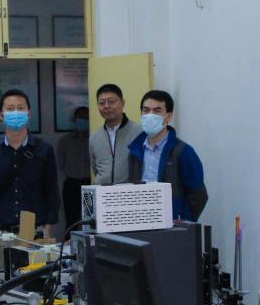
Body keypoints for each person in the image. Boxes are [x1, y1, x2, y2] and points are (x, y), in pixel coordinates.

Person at [0, 89, 60, 256]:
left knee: (37, 273)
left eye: (20, 108)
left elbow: (52, 193)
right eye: (10, 109)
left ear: (29, 113)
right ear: (1, 115)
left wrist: (48, 230)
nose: (16, 113)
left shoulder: (44, 150)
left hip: (36, 235)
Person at [126, 90, 208, 221]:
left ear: (168, 117)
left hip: (172, 225)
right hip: (140, 220)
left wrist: (184, 220)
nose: (150, 115)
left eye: (157, 111)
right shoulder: (134, 151)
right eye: (146, 110)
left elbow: (198, 195)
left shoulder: (183, 151)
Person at [89, 83, 142, 184]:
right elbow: (95, 169)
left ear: (123, 103)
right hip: (103, 192)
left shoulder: (139, 132)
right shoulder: (94, 137)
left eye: (111, 101)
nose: (106, 106)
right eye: (102, 103)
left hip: (130, 191)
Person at [57, 106, 92, 231]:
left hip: (89, 184)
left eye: (86, 118)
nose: (83, 120)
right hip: (71, 185)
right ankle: (69, 243)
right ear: (74, 119)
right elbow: (61, 164)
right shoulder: (65, 141)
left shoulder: (94, 139)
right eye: (80, 117)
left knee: (90, 220)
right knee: (71, 221)